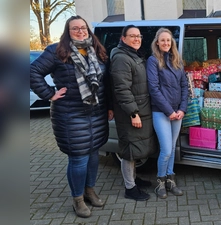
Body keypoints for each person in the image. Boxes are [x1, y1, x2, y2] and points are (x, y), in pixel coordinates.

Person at [30, 15, 113, 218]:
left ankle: (89, 191)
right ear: (68, 31)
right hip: (70, 114)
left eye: (83, 27)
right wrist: (50, 93)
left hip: (96, 113)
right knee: (79, 158)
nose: (80, 31)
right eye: (75, 28)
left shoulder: (97, 50)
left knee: (94, 155)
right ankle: (77, 199)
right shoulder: (57, 51)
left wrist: (109, 105)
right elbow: (32, 71)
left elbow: (106, 82)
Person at [109, 25, 158, 201]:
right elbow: (122, 90)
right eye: (132, 36)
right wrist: (133, 113)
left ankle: (134, 179)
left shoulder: (134, 54)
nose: (137, 39)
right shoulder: (122, 58)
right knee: (129, 150)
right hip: (131, 113)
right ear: (123, 38)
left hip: (141, 109)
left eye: (139, 36)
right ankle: (130, 188)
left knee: (136, 149)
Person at [146, 28, 188, 199]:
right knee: (166, 150)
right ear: (157, 42)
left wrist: (182, 109)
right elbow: (153, 89)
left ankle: (170, 179)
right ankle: (160, 182)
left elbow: (185, 86)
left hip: (177, 112)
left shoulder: (177, 60)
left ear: (172, 43)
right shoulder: (153, 60)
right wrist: (169, 111)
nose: (165, 43)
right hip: (161, 112)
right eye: (162, 40)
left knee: (171, 148)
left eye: (168, 40)